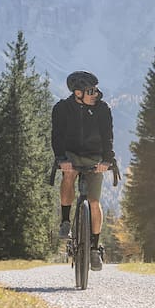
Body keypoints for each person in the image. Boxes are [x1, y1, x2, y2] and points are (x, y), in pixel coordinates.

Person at [51, 70, 115, 271]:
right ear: (77, 93)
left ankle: (95, 249)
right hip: (70, 154)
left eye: (95, 90)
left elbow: (108, 136)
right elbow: (57, 136)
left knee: (94, 202)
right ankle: (65, 220)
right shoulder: (62, 109)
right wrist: (61, 159)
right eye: (90, 91)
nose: (95, 94)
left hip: (95, 156)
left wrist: (107, 160)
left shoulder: (102, 109)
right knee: (69, 174)